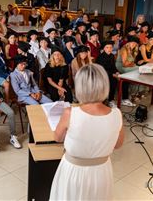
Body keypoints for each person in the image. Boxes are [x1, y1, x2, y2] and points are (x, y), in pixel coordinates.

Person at [50, 63, 124, 200]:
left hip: (74, 171)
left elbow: (57, 138)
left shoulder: (70, 113)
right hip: (101, 171)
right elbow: (118, 144)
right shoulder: (116, 114)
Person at [96, 41, 120, 108]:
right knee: (112, 80)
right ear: (103, 48)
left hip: (110, 74)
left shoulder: (112, 56)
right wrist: (113, 75)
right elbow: (102, 70)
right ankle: (105, 99)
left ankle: (111, 99)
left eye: (111, 47)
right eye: (107, 47)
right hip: (101, 75)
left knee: (115, 80)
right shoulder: (100, 57)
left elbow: (113, 67)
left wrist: (116, 72)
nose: (109, 49)